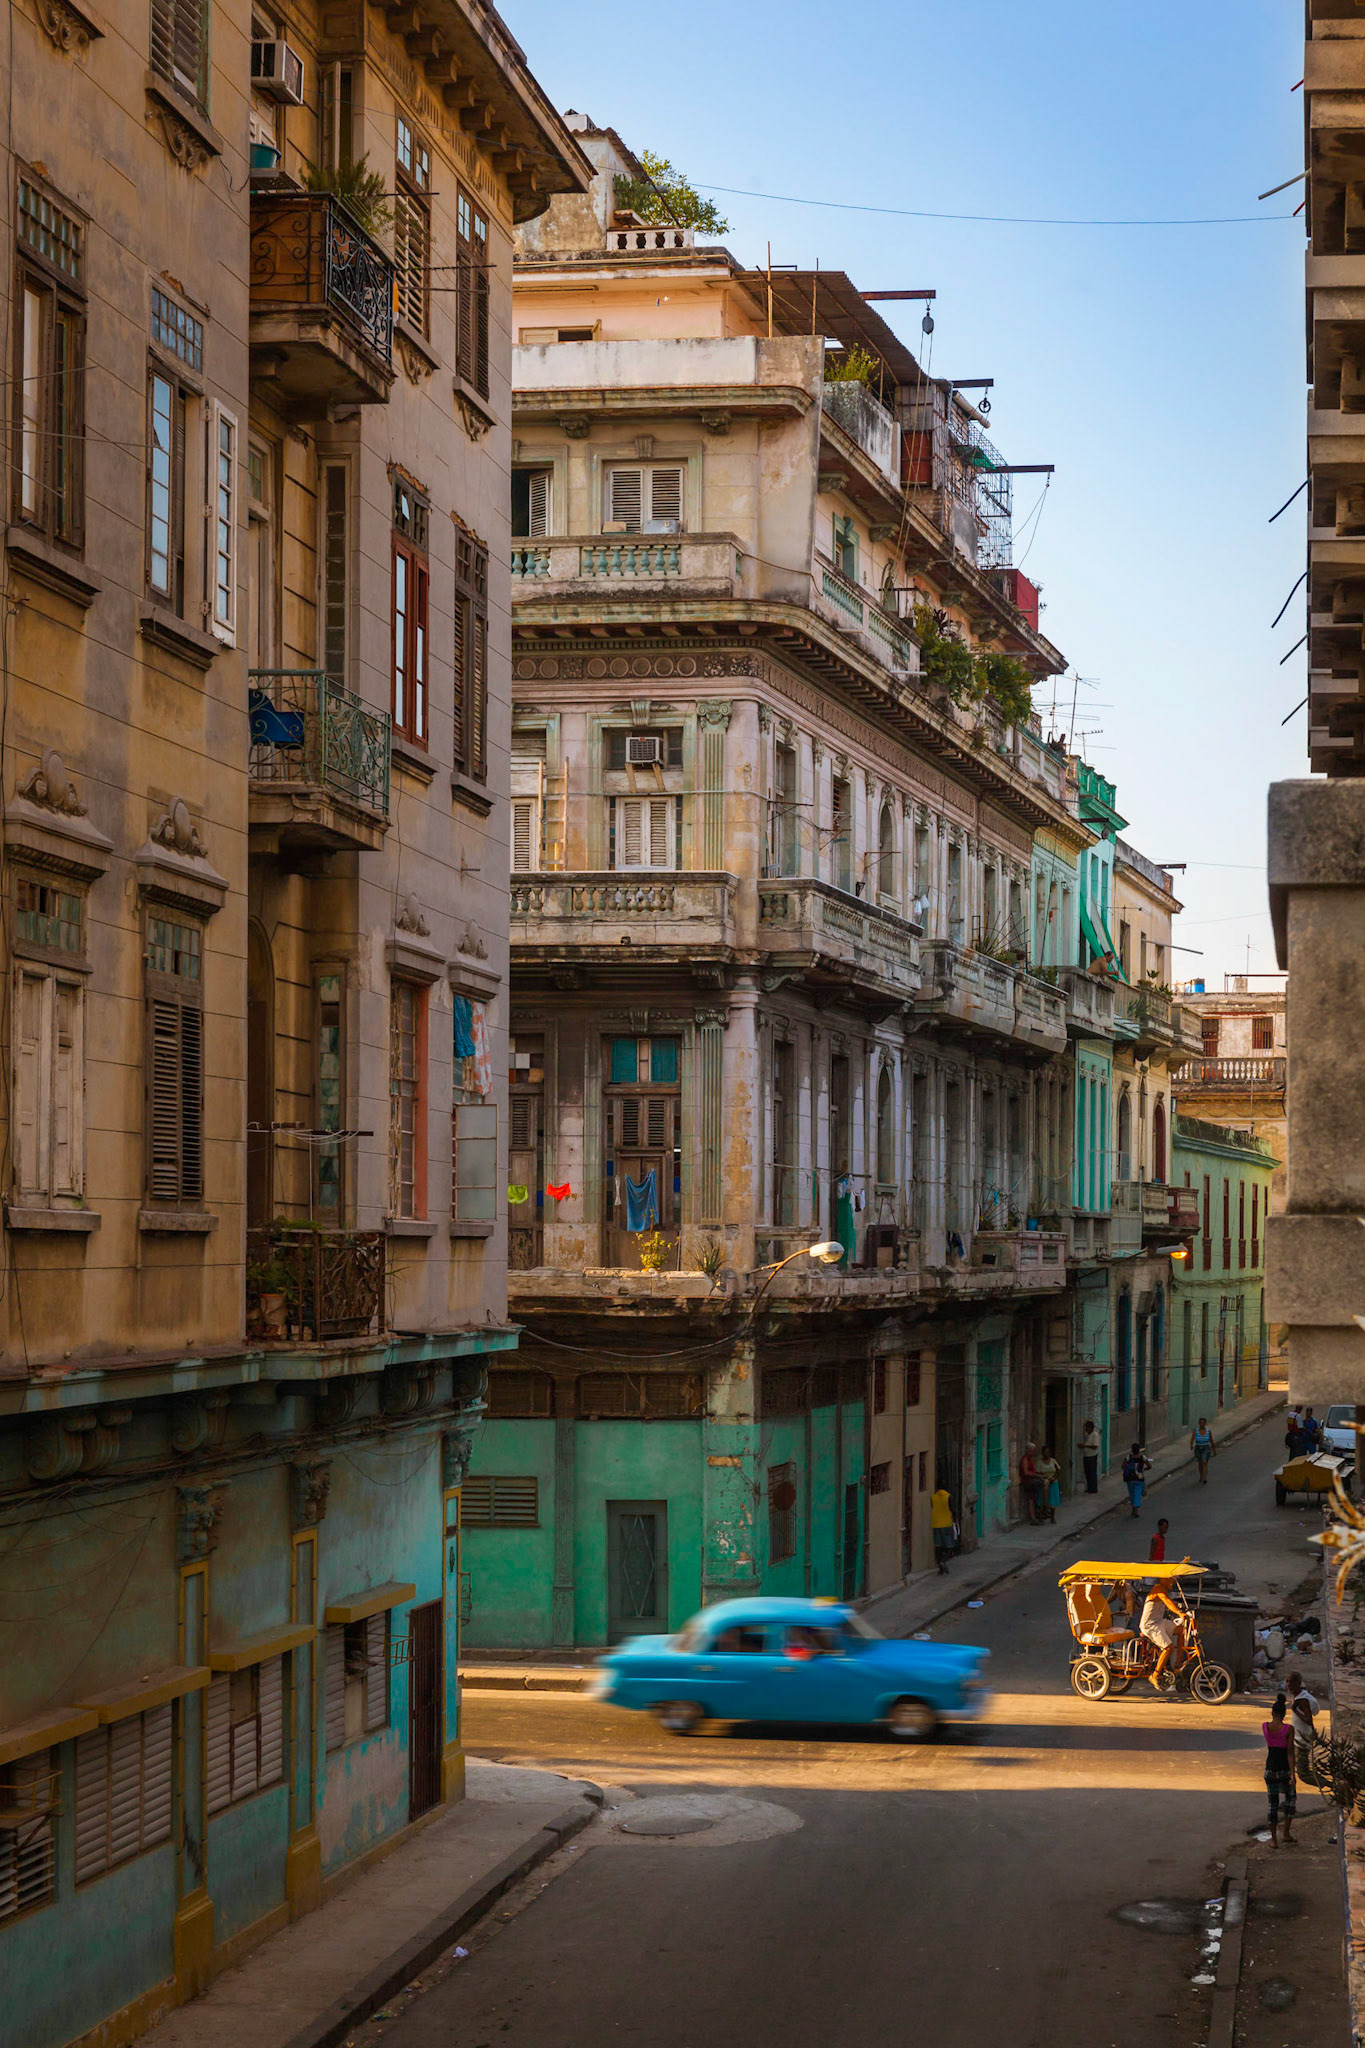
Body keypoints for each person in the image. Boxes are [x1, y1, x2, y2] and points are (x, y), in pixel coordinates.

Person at [1262, 1693, 1297, 1848]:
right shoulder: (1289, 1729)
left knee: (1273, 1804)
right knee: (1290, 1800)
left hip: (1270, 1769)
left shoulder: (1265, 1727)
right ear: (1284, 1714)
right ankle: (1286, 1833)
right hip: (1284, 1770)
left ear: (1272, 1712)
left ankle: (1273, 1840)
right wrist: (1293, 1774)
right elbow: (1290, 1752)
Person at [1139, 1579, 1185, 1691]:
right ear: (1164, 1579)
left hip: (1159, 1622)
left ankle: (1178, 1663)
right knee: (1168, 1647)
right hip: (1150, 1625)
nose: (1173, 1582)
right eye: (1171, 1579)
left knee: (1182, 1631)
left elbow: (1170, 1602)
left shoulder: (1164, 1590)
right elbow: (1167, 1601)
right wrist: (1179, 1613)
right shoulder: (1158, 1588)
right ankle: (1154, 1675)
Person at [930, 1485, 955, 1574]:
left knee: (938, 1546)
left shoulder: (933, 1498)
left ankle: (940, 1567)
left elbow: (933, 1507)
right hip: (947, 1524)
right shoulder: (949, 1497)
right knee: (950, 1546)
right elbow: (953, 1510)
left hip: (936, 1524)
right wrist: (955, 1520)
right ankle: (943, 1561)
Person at [1122, 1442, 1151, 1518]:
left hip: (1130, 1478)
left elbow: (1123, 1466)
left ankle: (1133, 1509)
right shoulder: (1142, 1457)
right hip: (1139, 1478)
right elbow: (1149, 1466)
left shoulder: (1128, 1457)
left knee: (1132, 1495)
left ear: (1132, 1450)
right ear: (1139, 1450)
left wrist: (1128, 1468)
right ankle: (1135, 1510)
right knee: (1137, 1494)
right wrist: (1144, 1469)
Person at [1035, 1444, 1061, 1524]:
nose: (1047, 1454)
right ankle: (1041, 1515)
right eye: (1045, 1452)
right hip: (1043, 1482)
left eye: (1048, 1452)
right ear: (1042, 1453)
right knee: (1041, 1499)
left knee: (1053, 1499)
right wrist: (1044, 1477)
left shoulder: (1053, 1461)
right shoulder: (1039, 1462)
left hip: (1053, 1481)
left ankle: (1052, 1517)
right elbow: (1037, 1473)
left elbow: (1058, 1470)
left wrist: (1054, 1478)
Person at [1019, 1443, 1043, 1525]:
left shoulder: (1029, 1459)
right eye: (1032, 1451)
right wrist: (1037, 1475)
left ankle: (1037, 1515)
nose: (1033, 1452)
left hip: (1031, 1481)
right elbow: (1026, 1472)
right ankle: (1034, 1517)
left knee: (1033, 1499)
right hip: (1028, 1481)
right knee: (1031, 1499)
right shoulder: (1025, 1459)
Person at [1190, 1418, 1216, 1485]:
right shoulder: (1195, 1431)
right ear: (1199, 1423)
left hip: (1206, 1448)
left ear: (1205, 1423)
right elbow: (1192, 1439)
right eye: (1201, 1422)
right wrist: (1191, 1445)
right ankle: (1201, 1476)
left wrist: (1214, 1450)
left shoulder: (1208, 1431)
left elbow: (1211, 1440)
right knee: (1200, 1463)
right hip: (1198, 1448)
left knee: (1204, 1462)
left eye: (1203, 1422)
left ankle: (1204, 1478)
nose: (1202, 1424)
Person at [1078, 1418, 1100, 1494]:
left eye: (1087, 1427)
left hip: (1092, 1456)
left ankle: (1093, 1488)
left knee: (1092, 1472)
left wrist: (1085, 1446)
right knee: (1087, 1472)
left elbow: (1095, 1446)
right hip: (1087, 1456)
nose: (1086, 1429)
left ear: (1090, 1428)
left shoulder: (1094, 1435)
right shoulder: (1087, 1435)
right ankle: (1089, 1487)